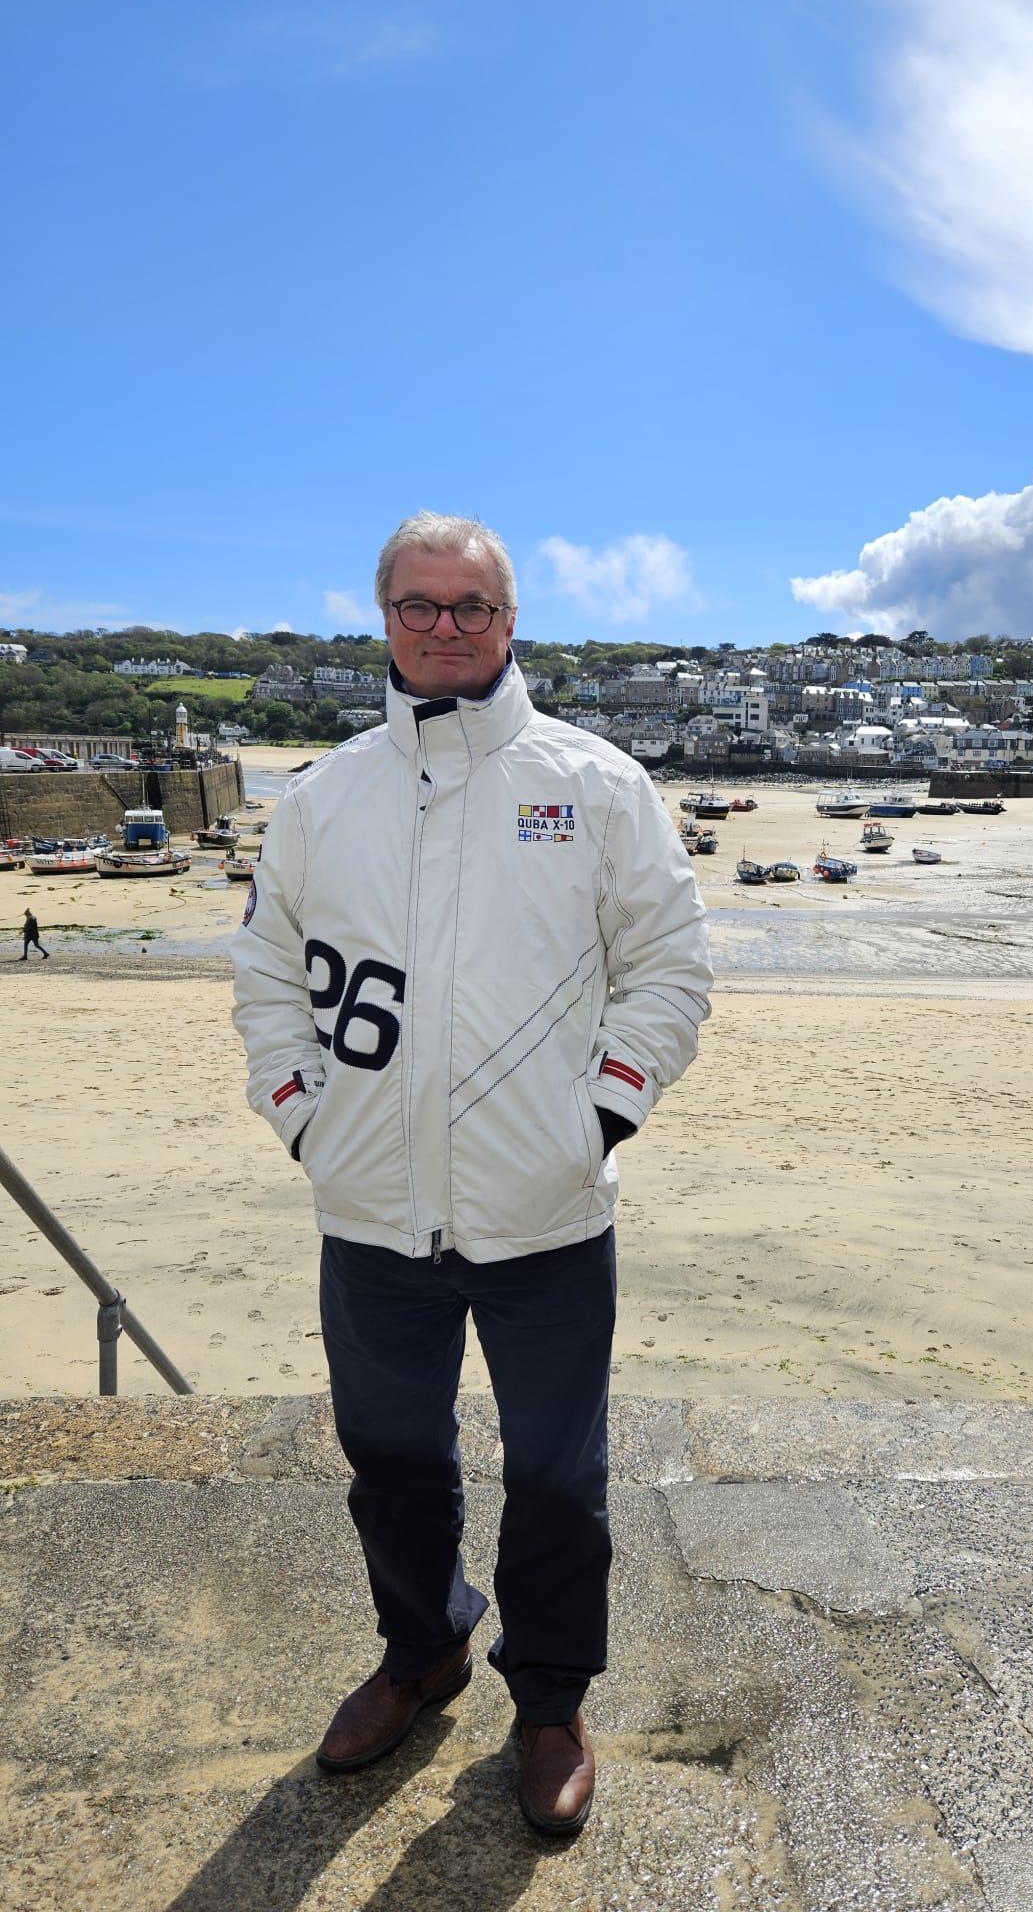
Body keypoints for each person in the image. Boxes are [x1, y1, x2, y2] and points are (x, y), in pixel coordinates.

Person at [231, 511, 712, 1836]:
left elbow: (670, 966)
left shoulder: (597, 785)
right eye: (420, 604)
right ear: (383, 616)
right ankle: (423, 1650)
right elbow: (266, 971)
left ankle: (549, 1701)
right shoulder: (323, 798)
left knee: (558, 1479)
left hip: (546, 1213)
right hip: (369, 1208)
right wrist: (303, 1117)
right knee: (390, 1461)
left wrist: (599, 1119)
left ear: (511, 623)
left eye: (472, 606)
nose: (446, 626)